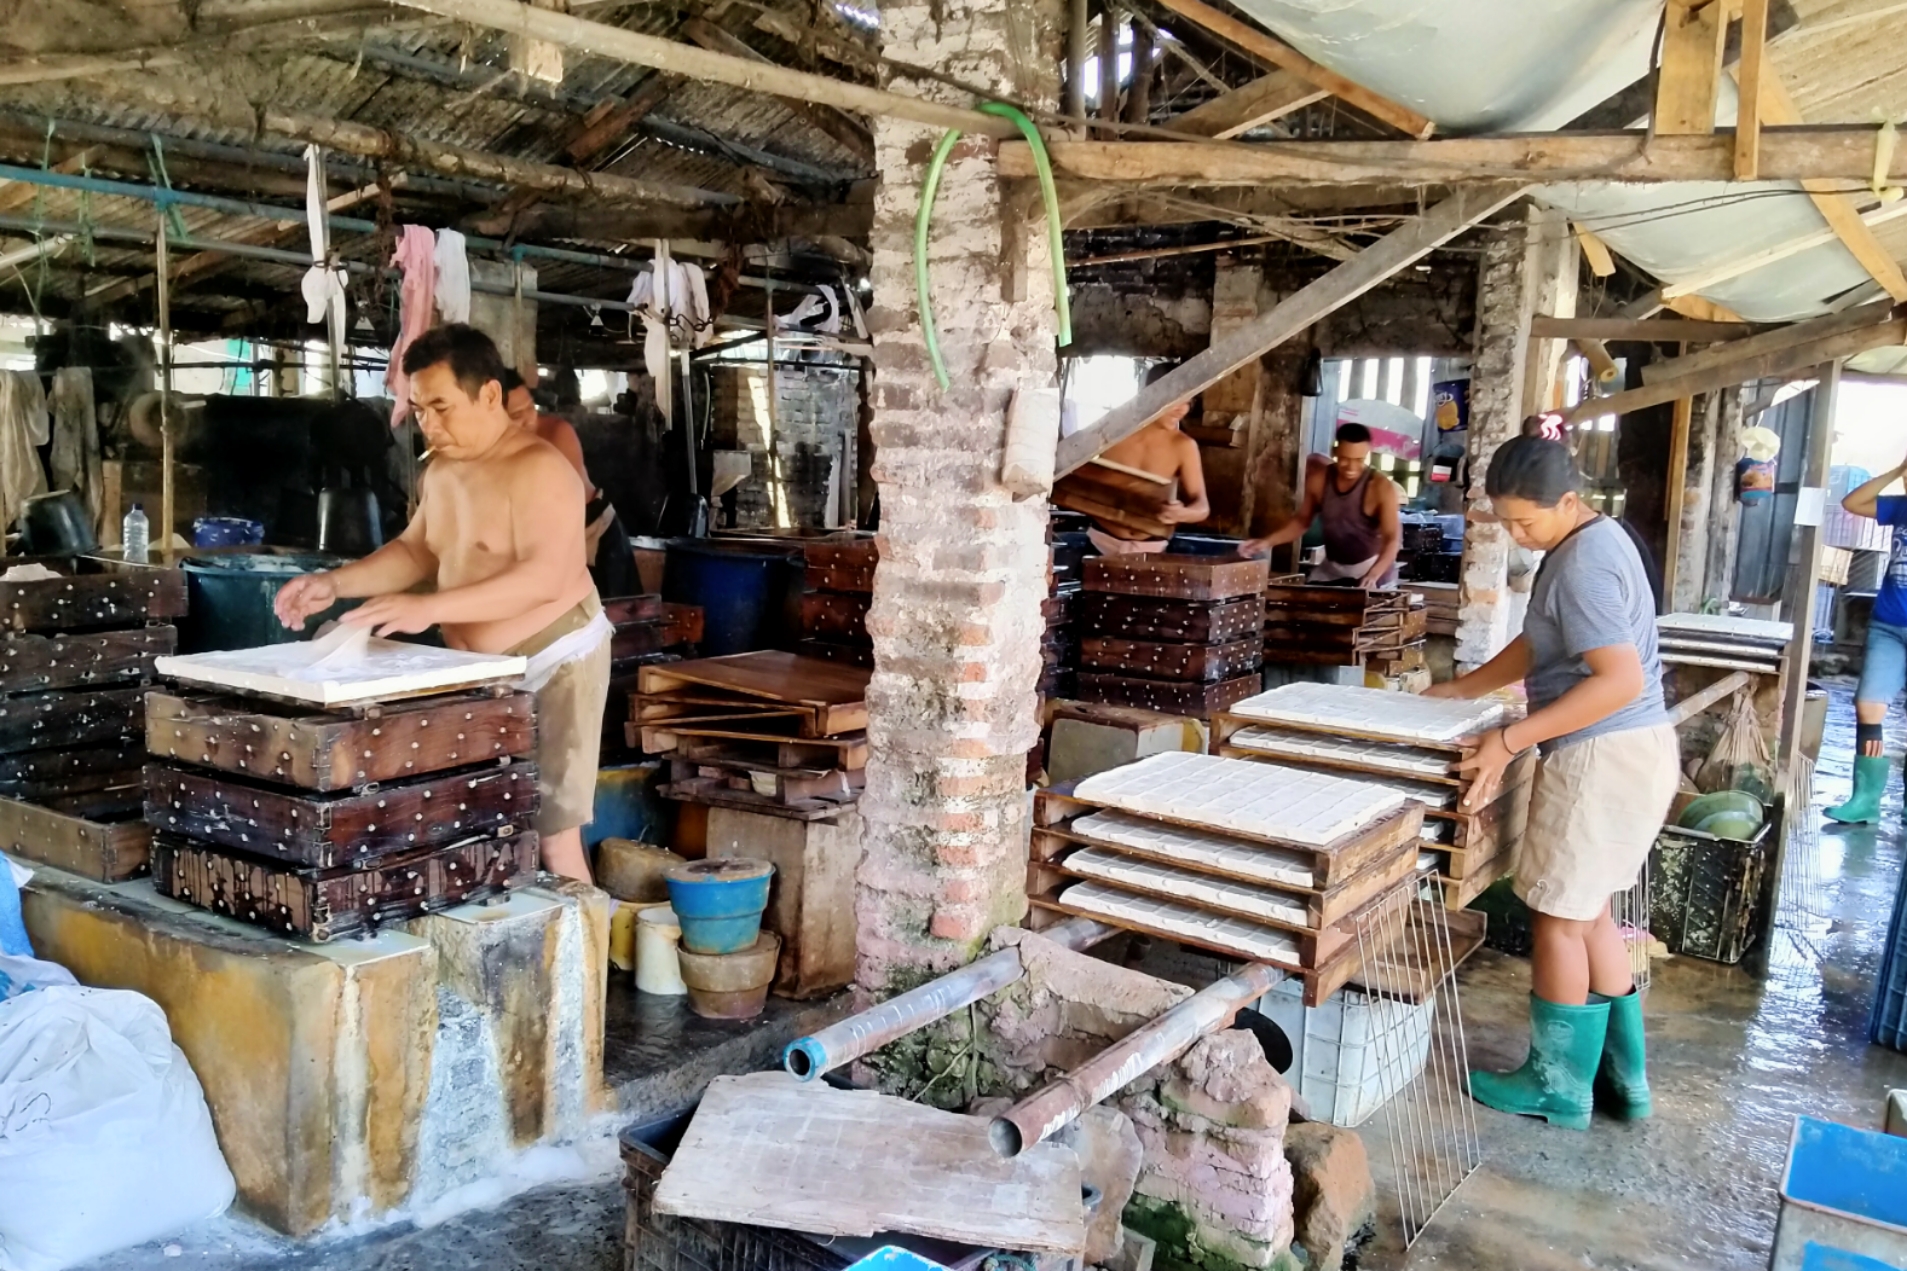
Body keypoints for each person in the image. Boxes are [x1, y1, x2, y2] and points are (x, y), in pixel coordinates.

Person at [272, 325, 611, 884]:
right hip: (482, 672)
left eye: (441, 406)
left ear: (490, 396)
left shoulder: (541, 469)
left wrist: (428, 609)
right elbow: (417, 551)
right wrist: (335, 583)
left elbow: (546, 578)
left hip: (557, 661)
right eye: (420, 408)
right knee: (484, 819)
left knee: (552, 836)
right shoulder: (443, 471)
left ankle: (586, 967)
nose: (428, 423)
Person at [1423, 435, 1676, 1131]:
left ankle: (1556, 1086)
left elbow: (1617, 678)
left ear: (1569, 499)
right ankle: (1622, 1079)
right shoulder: (1591, 539)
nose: (1514, 534)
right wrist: (1464, 688)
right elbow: (1543, 642)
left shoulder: (1584, 565)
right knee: (1588, 908)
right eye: (1503, 520)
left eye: (1524, 521)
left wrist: (1508, 737)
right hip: (1633, 748)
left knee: (1558, 919)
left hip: (1601, 755)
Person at [500, 368, 639, 599]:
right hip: (544, 550)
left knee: (615, 621)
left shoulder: (556, 434)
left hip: (594, 535)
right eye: (516, 415)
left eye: (530, 408)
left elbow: (562, 508)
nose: (529, 419)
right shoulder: (490, 450)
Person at [1825, 455, 1907, 823]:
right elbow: (1852, 503)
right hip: (1888, 625)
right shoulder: (1900, 508)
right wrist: (1895, 472)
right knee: (1868, 707)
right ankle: (1865, 802)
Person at [1239, 422, 1402, 587]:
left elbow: (1392, 540)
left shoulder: (1381, 487)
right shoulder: (1319, 480)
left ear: (1367, 454)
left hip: (1372, 568)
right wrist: (1267, 542)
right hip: (1332, 568)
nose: (1351, 467)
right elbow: (1302, 521)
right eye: (1345, 459)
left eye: (1359, 460)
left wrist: (1373, 575)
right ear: (1335, 451)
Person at [1081, 368, 1210, 556]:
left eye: (1187, 401)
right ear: (1150, 393)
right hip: (1100, 542)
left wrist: (1183, 514)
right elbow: (1068, 470)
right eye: (1174, 398)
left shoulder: (1184, 446)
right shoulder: (1109, 431)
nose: (1181, 408)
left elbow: (1202, 507)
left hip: (1152, 548)